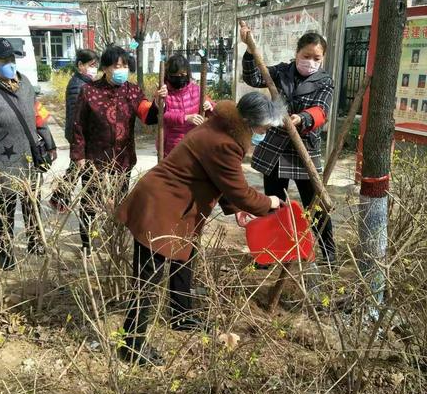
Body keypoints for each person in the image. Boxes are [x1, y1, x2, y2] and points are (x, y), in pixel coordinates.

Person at [116, 92, 284, 366]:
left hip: (177, 205)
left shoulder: (221, 126)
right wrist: (270, 202)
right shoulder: (224, 143)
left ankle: (182, 316)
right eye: (264, 128)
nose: (264, 133)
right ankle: (131, 344)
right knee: (148, 277)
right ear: (250, 123)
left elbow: (218, 178)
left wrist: (235, 209)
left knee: (185, 259)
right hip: (161, 205)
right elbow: (239, 189)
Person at [240, 23, 336, 265]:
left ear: (322, 58)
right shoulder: (282, 72)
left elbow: (321, 111)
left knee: (315, 205)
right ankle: (270, 253)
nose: (310, 61)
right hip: (276, 146)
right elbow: (253, 76)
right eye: (306, 56)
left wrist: (302, 118)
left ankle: (329, 253)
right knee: (273, 203)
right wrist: (250, 50)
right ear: (297, 53)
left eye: (317, 58)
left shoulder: (325, 81)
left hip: (304, 147)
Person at [0, 38, 57, 270]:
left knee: (32, 204)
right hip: (1, 160)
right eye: (4, 60)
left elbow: (39, 116)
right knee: (5, 209)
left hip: (29, 156)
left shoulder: (25, 82)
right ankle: (6, 254)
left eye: (13, 58)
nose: (11, 63)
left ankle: (35, 244)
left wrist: (50, 144)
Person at [70, 45, 158, 256]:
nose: (121, 70)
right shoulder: (89, 91)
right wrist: (79, 156)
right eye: (116, 65)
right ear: (106, 67)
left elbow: (148, 116)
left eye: (125, 65)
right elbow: (77, 125)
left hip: (123, 158)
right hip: (95, 158)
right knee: (91, 201)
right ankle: (87, 243)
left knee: (120, 202)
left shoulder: (133, 90)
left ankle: (116, 240)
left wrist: (158, 102)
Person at [50, 49, 99, 213]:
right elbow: (75, 116)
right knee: (79, 169)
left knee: (75, 169)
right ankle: (62, 198)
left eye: (96, 65)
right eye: (91, 65)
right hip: (79, 136)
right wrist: (78, 139)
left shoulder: (85, 82)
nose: (94, 68)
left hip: (83, 136)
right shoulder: (77, 85)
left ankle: (59, 198)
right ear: (80, 65)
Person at [156, 54, 214, 156]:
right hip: (172, 146)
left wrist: (209, 106)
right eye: (175, 76)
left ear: (187, 73)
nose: (179, 78)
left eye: (182, 74)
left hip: (194, 143)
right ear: (168, 75)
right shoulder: (164, 91)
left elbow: (212, 107)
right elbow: (164, 115)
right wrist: (185, 117)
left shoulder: (196, 90)